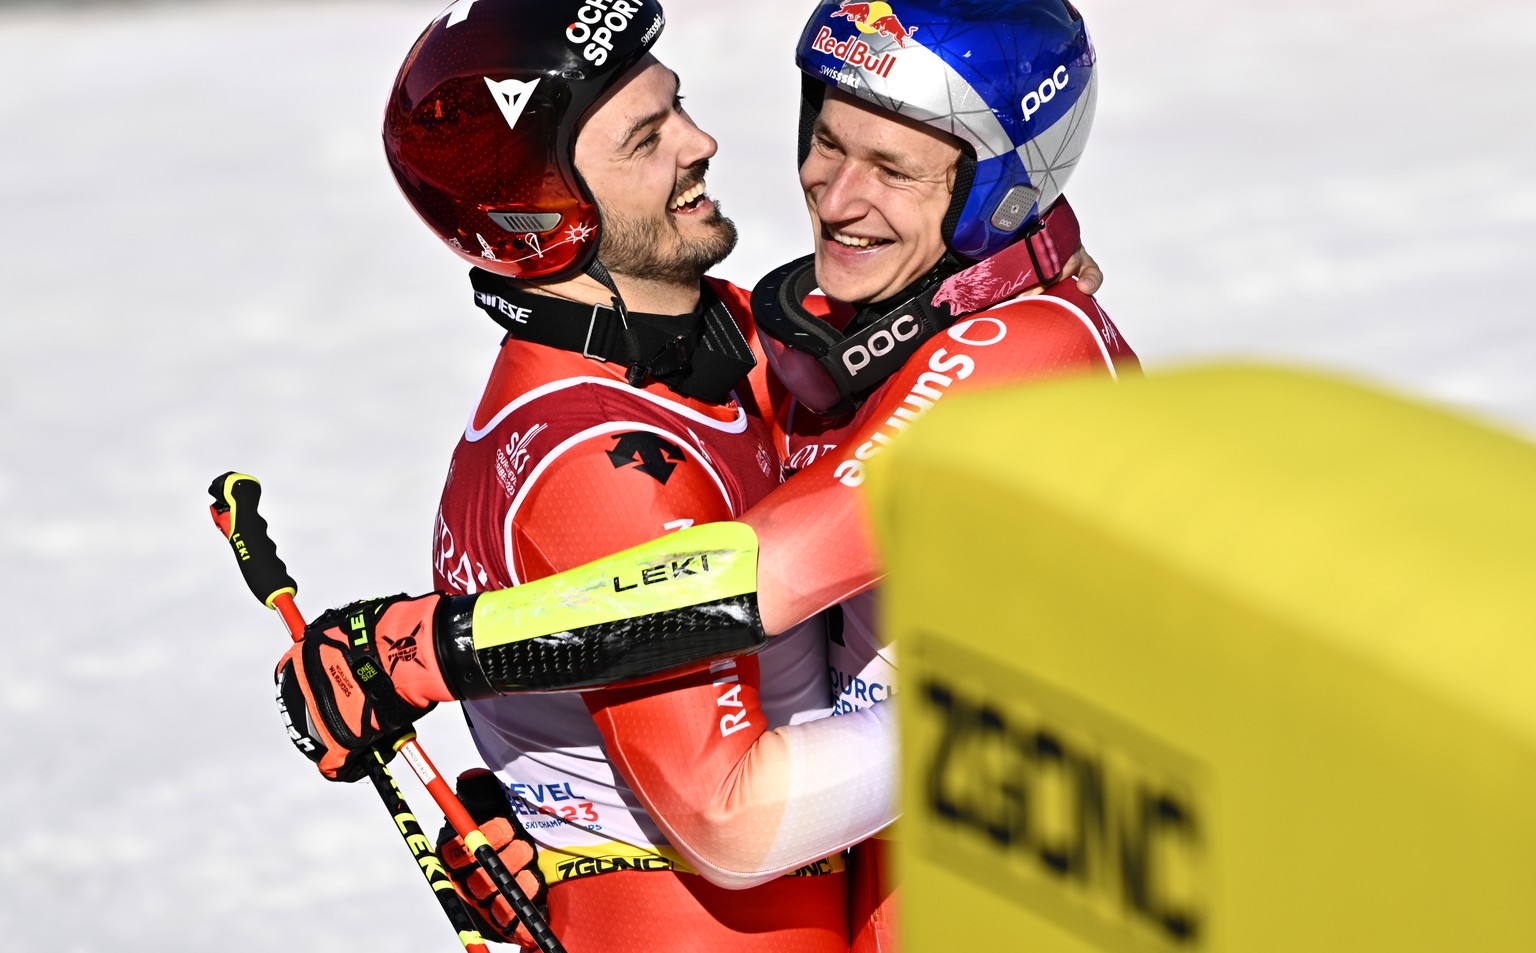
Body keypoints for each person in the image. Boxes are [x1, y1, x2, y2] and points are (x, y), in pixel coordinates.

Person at [272, 0, 1110, 950]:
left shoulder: (771, 349)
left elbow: (769, 560)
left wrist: (448, 662)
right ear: (548, 212)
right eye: (645, 136)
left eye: (680, 107)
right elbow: (728, 807)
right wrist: (564, 825)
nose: (703, 141)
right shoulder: (607, 451)